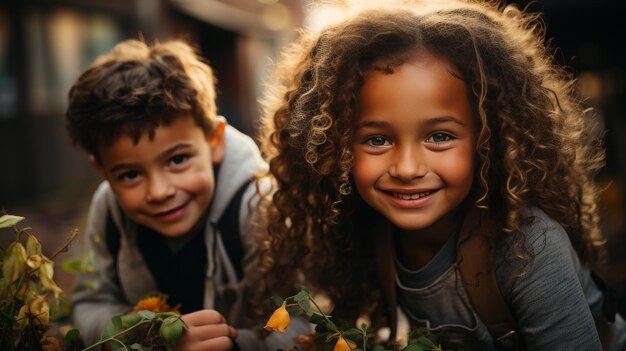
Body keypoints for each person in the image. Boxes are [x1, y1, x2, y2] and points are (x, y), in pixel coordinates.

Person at [253, 0, 626, 349]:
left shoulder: (527, 247)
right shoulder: (365, 229)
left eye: (440, 136)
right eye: (378, 139)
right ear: (336, 145)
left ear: (489, 140)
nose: (408, 169)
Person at [66, 39, 308, 351]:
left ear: (215, 141)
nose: (159, 192)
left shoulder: (258, 205)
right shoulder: (109, 209)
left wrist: (232, 346)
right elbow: (91, 302)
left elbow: (301, 324)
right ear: (103, 171)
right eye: (130, 175)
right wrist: (144, 335)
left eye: (178, 160)